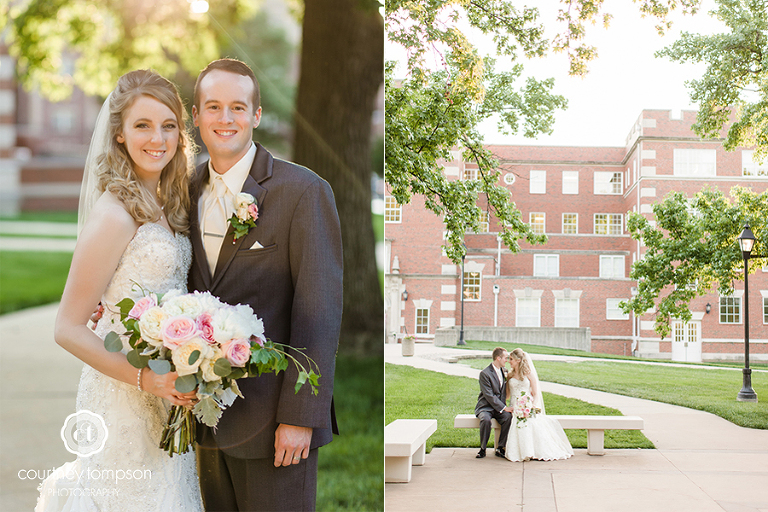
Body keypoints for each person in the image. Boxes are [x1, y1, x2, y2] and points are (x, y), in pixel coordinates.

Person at [35, 70, 203, 511]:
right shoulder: (113, 215)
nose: (158, 138)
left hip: (168, 394)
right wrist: (146, 378)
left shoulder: (172, 202)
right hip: (123, 399)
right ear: (120, 135)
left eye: (169, 125)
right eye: (143, 125)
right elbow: (67, 327)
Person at [188, 58, 342, 511]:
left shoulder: (303, 191)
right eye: (212, 107)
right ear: (196, 116)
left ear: (256, 115)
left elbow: (319, 311)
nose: (225, 118)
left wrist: (300, 419)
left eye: (238, 107)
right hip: (204, 420)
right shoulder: (185, 189)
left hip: (276, 423)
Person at [504, 348, 573, 462]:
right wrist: (506, 406)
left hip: (527, 406)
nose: (509, 361)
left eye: (511, 359)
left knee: (529, 423)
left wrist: (532, 405)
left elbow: (535, 394)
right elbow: (507, 395)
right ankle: (522, 451)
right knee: (517, 422)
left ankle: (530, 451)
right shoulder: (510, 375)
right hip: (514, 406)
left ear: (519, 360)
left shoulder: (529, 374)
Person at [475, 347, 513, 459]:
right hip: (485, 407)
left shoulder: (504, 371)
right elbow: (489, 396)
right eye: (505, 358)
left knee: (507, 418)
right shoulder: (485, 374)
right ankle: (482, 449)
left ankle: (500, 447)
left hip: (498, 408)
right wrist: (504, 407)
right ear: (498, 358)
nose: (506, 360)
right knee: (486, 420)